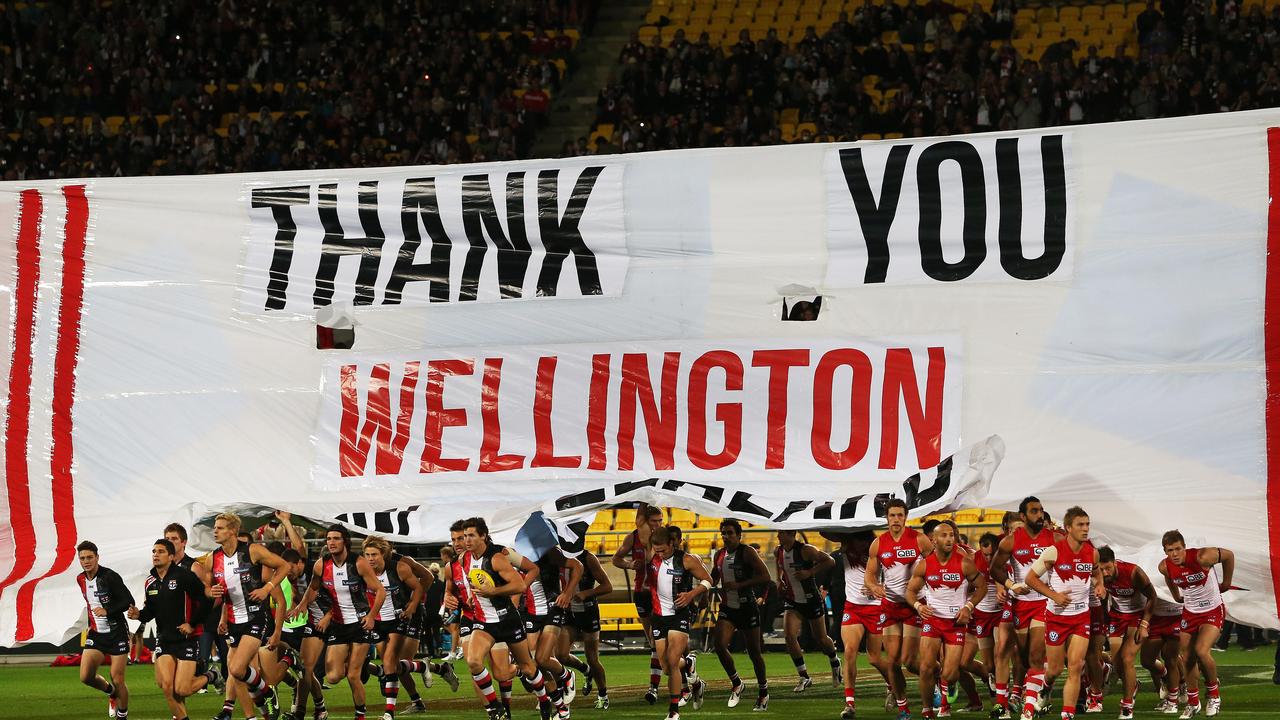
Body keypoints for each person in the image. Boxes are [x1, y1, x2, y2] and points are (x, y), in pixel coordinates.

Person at [457, 516, 558, 720]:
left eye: (470, 536)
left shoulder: (499, 556)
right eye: (463, 536)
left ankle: (545, 700)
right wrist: (471, 595)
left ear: (484, 536)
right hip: (483, 621)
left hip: (508, 620)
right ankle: (496, 708)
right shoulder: (463, 559)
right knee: (474, 662)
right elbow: (476, 582)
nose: (465, 541)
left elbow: (520, 585)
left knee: (528, 667)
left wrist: (494, 592)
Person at [290, 524, 387, 720]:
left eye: (336, 538)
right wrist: (301, 605)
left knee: (352, 675)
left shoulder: (358, 563)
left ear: (345, 542)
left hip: (359, 623)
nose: (331, 542)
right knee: (333, 677)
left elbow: (380, 591)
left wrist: (371, 616)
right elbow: (313, 587)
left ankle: (360, 715)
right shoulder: (320, 564)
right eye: (329, 539)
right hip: (338, 625)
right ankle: (365, 664)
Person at [201, 512, 289, 720]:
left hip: (256, 617)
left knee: (236, 667)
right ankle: (253, 715)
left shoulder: (253, 551)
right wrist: (210, 593)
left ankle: (267, 692)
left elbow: (284, 566)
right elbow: (207, 587)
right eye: (215, 527)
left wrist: (267, 588)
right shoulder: (212, 558)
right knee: (238, 673)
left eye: (220, 527)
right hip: (232, 620)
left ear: (232, 531)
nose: (215, 531)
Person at [1018, 506, 1103, 720]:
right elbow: (1030, 579)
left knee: (1076, 666)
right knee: (1054, 669)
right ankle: (1045, 687)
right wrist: (1053, 595)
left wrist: (1099, 585)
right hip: (1056, 618)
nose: (1085, 529)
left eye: (1087, 525)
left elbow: (1096, 571)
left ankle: (1067, 714)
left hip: (1081, 617)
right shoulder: (1053, 551)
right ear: (1068, 528)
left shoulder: (1092, 552)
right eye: (1080, 525)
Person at [129, 538, 221, 720]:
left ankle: (212, 675)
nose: (156, 555)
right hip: (164, 639)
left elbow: (205, 601)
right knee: (166, 687)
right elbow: (151, 611)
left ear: (171, 556)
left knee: (182, 689)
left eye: (161, 551)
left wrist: (192, 624)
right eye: (154, 551)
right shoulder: (150, 582)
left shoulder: (184, 576)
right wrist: (138, 614)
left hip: (185, 639)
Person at [906, 519, 988, 720]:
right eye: (944, 535)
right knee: (925, 667)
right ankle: (928, 710)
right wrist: (918, 606)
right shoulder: (924, 565)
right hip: (932, 622)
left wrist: (968, 607)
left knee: (951, 673)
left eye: (951, 535)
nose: (949, 539)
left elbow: (982, 586)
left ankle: (948, 691)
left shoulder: (964, 563)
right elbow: (910, 591)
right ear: (933, 541)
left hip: (955, 624)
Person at [866, 498, 933, 718]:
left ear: (906, 517)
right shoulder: (878, 543)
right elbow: (869, 575)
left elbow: (936, 564)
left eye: (900, 515)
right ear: (887, 518)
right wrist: (874, 586)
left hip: (914, 605)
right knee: (893, 661)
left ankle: (939, 676)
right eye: (892, 515)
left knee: (910, 661)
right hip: (890, 606)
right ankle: (903, 707)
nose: (896, 519)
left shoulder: (919, 540)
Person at [990, 497, 1056, 719]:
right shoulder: (1011, 541)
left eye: (1041, 511)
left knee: (1037, 655)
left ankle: (1028, 711)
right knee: (1025, 657)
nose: (1039, 515)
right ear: (1023, 516)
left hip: (1045, 603)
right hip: (1020, 605)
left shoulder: (1054, 538)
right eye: (1034, 511)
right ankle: (1037, 696)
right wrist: (1011, 585)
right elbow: (995, 569)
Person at [1158, 530, 1234, 718]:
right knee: (1187, 657)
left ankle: (1214, 696)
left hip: (1212, 610)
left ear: (1184, 547)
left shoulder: (1202, 556)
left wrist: (1226, 582)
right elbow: (1169, 578)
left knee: (1201, 651)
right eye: (1170, 550)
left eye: (1178, 549)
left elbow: (1229, 556)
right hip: (1190, 613)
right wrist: (1176, 595)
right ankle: (1193, 702)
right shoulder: (1164, 566)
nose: (1175, 554)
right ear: (1165, 551)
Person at [646, 526, 711, 720]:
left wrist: (691, 594)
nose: (660, 554)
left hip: (679, 615)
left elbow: (708, 579)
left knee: (673, 662)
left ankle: (674, 711)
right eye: (657, 550)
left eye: (663, 550)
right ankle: (692, 671)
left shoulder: (687, 560)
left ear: (672, 543)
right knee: (666, 667)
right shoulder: (652, 556)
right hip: (658, 617)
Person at [826, 528, 892, 719]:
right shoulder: (847, 545)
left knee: (874, 658)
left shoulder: (879, 550)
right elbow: (825, 532)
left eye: (865, 541)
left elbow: (895, 577)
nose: (862, 545)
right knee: (849, 651)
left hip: (876, 609)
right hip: (853, 607)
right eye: (860, 540)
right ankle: (849, 703)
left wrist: (880, 588)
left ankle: (892, 686)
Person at [362, 535, 425, 720]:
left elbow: (419, 586)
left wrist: (413, 606)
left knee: (389, 662)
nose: (371, 558)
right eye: (367, 555)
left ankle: (389, 713)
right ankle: (427, 667)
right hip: (377, 622)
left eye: (374, 554)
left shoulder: (399, 568)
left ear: (383, 554)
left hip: (397, 620)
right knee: (393, 666)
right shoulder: (362, 571)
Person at [712, 519, 773, 711]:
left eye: (730, 533)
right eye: (723, 533)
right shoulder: (719, 555)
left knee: (754, 653)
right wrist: (705, 589)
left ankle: (763, 692)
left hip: (747, 607)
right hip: (728, 608)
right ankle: (737, 682)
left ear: (739, 535)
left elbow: (765, 577)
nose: (726, 536)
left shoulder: (747, 552)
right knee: (719, 646)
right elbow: (714, 575)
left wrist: (740, 585)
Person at [519, 543, 583, 719]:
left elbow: (577, 566)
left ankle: (567, 675)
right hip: (531, 612)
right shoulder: (512, 554)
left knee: (542, 658)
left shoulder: (547, 551)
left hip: (552, 607)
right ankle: (559, 706)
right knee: (534, 663)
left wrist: (568, 592)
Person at [613, 503, 666, 703]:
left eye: (661, 520)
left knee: (661, 640)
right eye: (654, 521)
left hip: (662, 593)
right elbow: (616, 558)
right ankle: (682, 677)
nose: (658, 524)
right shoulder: (634, 537)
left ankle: (656, 686)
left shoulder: (664, 539)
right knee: (654, 641)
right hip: (642, 593)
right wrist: (628, 564)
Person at [775, 529, 840, 693]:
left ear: (791, 534)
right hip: (792, 600)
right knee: (789, 636)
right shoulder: (778, 550)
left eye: (781, 533)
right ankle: (804, 676)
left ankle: (834, 661)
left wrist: (809, 572)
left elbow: (830, 561)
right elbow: (780, 566)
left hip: (811, 598)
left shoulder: (806, 550)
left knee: (821, 638)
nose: (778, 535)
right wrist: (779, 579)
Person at [75, 540, 134, 720]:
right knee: (85, 676)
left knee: (118, 677)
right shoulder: (80, 579)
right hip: (96, 633)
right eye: (83, 558)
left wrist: (107, 611)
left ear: (97, 557)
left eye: (90, 557)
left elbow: (128, 601)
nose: (86, 561)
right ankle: (111, 692)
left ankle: (122, 715)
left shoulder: (109, 576)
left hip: (117, 633)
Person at [1099, 545, 1158, 719]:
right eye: (1101, 569)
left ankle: (1127, 706)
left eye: (1108, 568)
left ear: (1115, 563)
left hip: (1137, 616)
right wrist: (1105, 622)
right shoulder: (1098, 576)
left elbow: (1152, 596)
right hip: (1117, 617)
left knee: (1127, 658)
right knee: (1117, 664)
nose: (1105, 573)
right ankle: (1133, 685)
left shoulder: (1133, 572)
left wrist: (1145, 623)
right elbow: (1103, 598)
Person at [559, 548, 613, 709]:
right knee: (560, 655)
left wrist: (586, 593)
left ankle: (603, 694)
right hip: (568, 612)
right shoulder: (557, 555)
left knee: (592, 657)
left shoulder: (588, 557)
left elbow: (607, 586)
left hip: (588, 612)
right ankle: (585, 670)